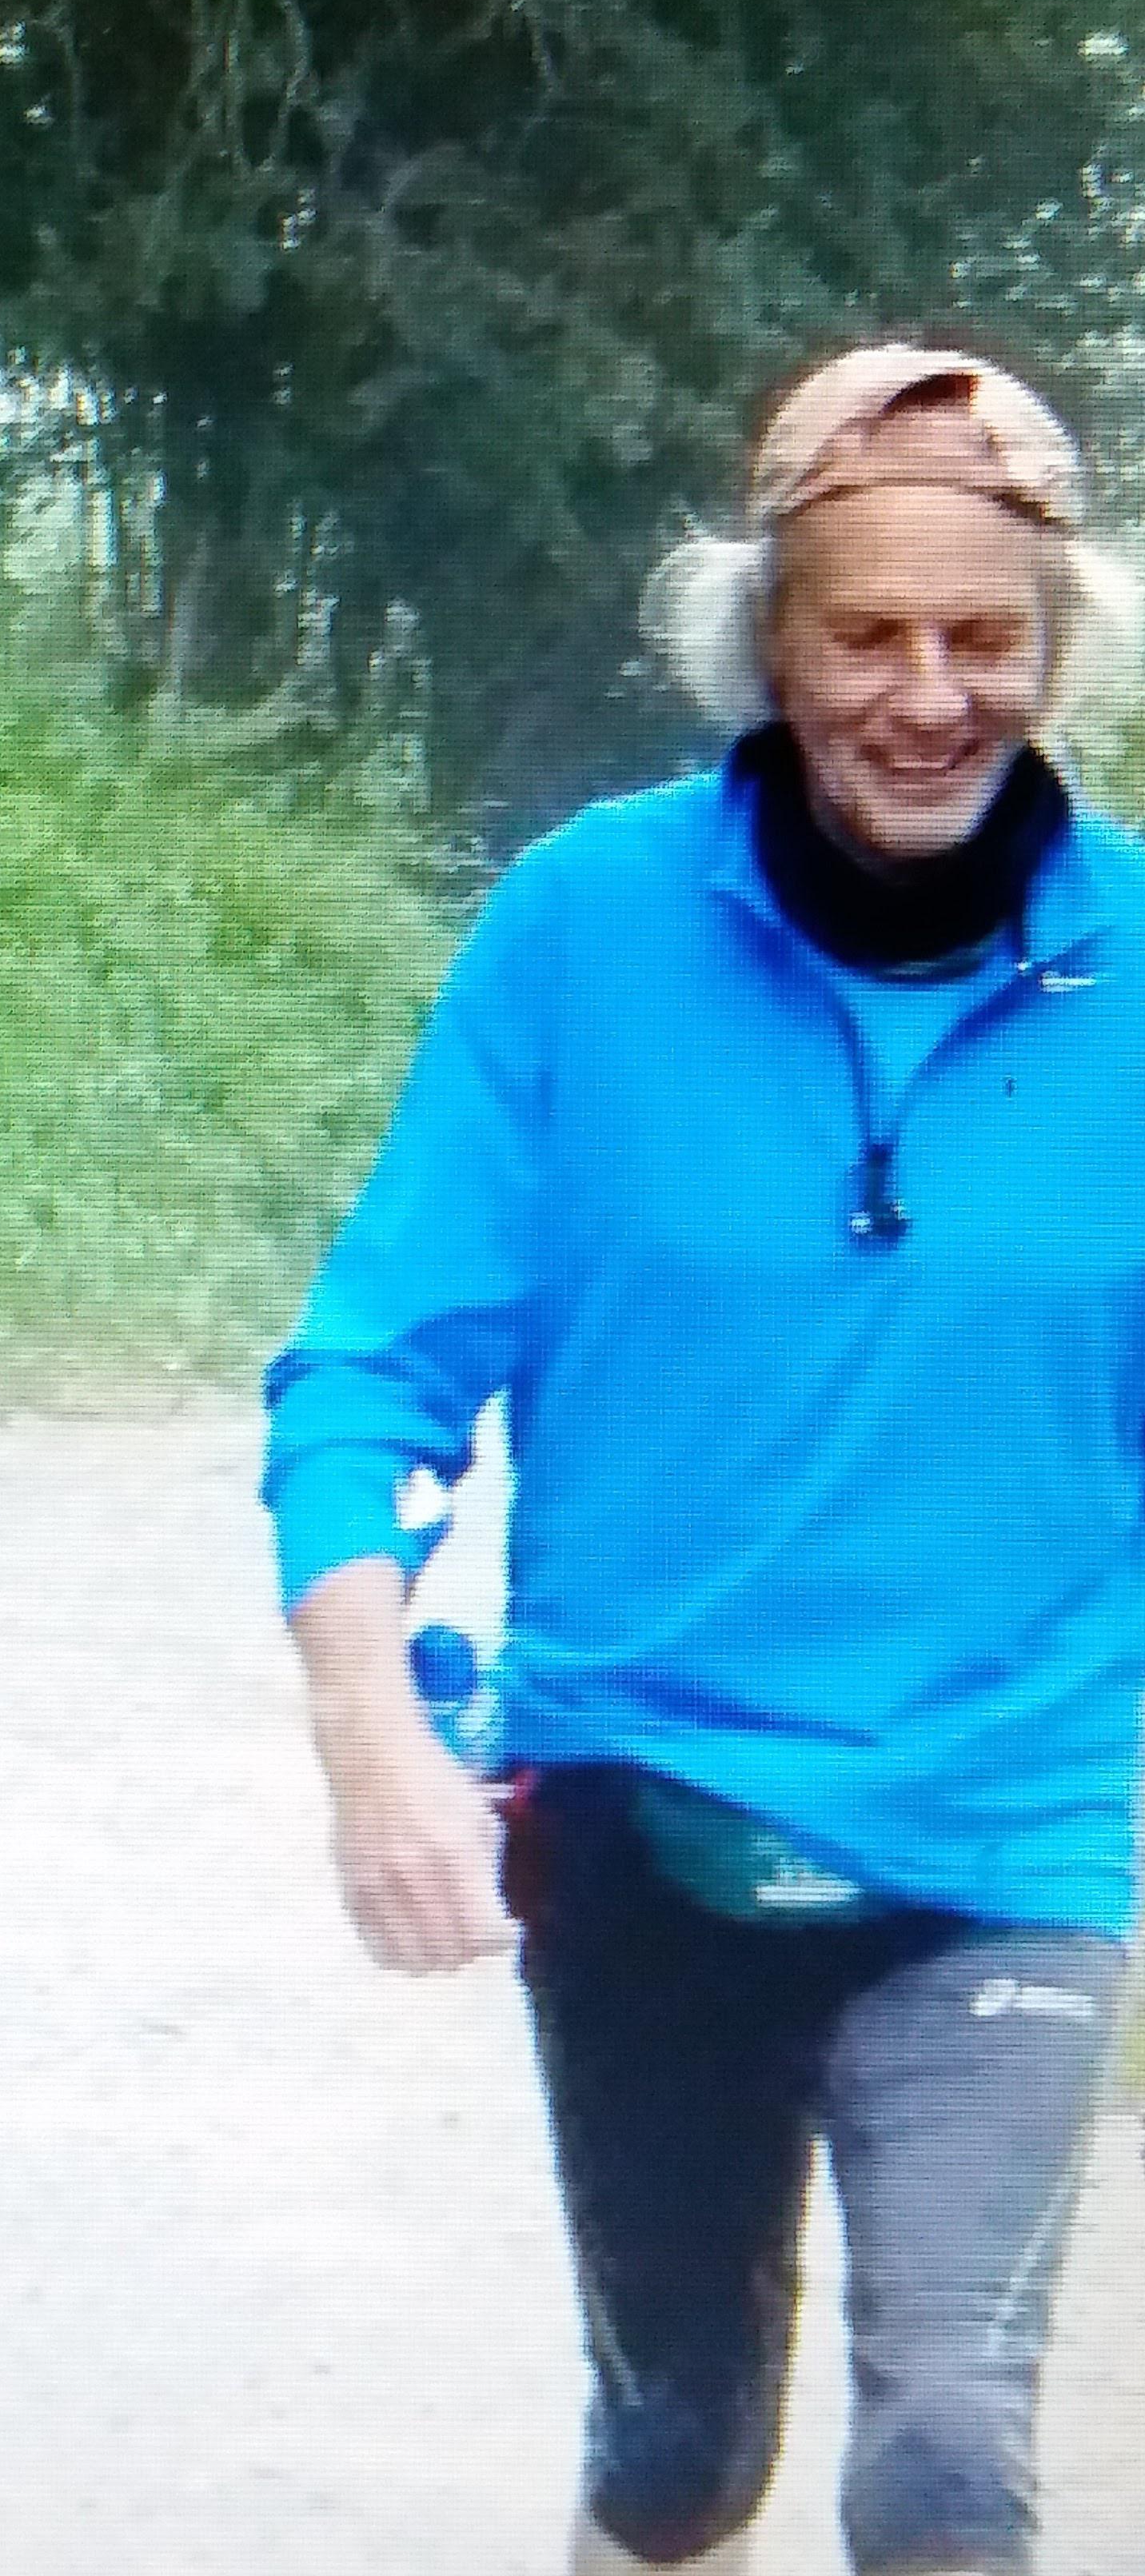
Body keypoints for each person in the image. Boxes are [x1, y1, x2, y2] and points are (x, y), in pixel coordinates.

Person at [262, 341, 1145, 2576]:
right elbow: (371, 1370)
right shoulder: (586, 927)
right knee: (679, 2461)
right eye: (869, 635)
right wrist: (371, 1730)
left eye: (986, 637)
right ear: (767, 644)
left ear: (1058, 649)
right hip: (645, 1819)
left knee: (950, 2461)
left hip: (1009, 1823)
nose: (929, 696)